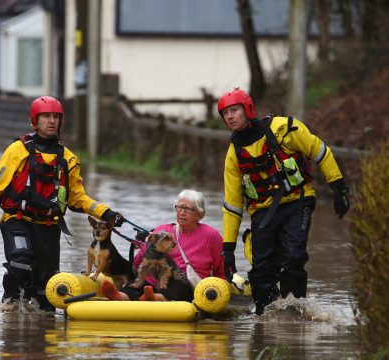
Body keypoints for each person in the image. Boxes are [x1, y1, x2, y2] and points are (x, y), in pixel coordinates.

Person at [0, 95, 124, 311]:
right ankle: (10, 309)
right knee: (21, 261)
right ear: (35, 120)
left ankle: (39, 325)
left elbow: (77, 199)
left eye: (56, 117)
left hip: (49, 227)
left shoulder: (68, 159)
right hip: (17, 221)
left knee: (46, 291)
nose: (52, 121)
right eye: (46, 116)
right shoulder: (18, 150)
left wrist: (106, 213)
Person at [218, 87, 350, 315]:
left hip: (297, 202)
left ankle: (294, 312)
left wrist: (338, 187)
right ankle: (266, 318)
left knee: (293, 257)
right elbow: (232, 205)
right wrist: (228, 250)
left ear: (248, 109)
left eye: (234, 110)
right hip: (262, 211)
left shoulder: (283, 129)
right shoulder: (234, 155)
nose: (230, 116)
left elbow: (320, 151)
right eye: (225, 113)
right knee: (260, 272)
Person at [101, 189, 225, 301]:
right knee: (139, 283)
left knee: (177, 286)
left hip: (185, 285)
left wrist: (218, 291)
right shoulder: (162, 230)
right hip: (155, 280)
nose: (182, 212)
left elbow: (222, 270)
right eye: (179, 207)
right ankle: (120, 296)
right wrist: (145, 244)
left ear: (199, 214)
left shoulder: (211, 235)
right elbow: (138, 263)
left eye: (188, 209)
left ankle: (152, 297)